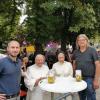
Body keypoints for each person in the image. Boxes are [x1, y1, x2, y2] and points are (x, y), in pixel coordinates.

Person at [72, 34, 100, 100]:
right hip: (79, 78)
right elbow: (74, 64)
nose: (81, 41)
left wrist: (96, 80)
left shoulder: (92, 50)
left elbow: (98, 65)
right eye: (79, 40)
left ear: (86, 41)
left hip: (89, 78)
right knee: (81, 96)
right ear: (77, 42)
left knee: (91, 96)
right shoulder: (75, 52)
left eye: (83, 40)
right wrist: (73, 76)